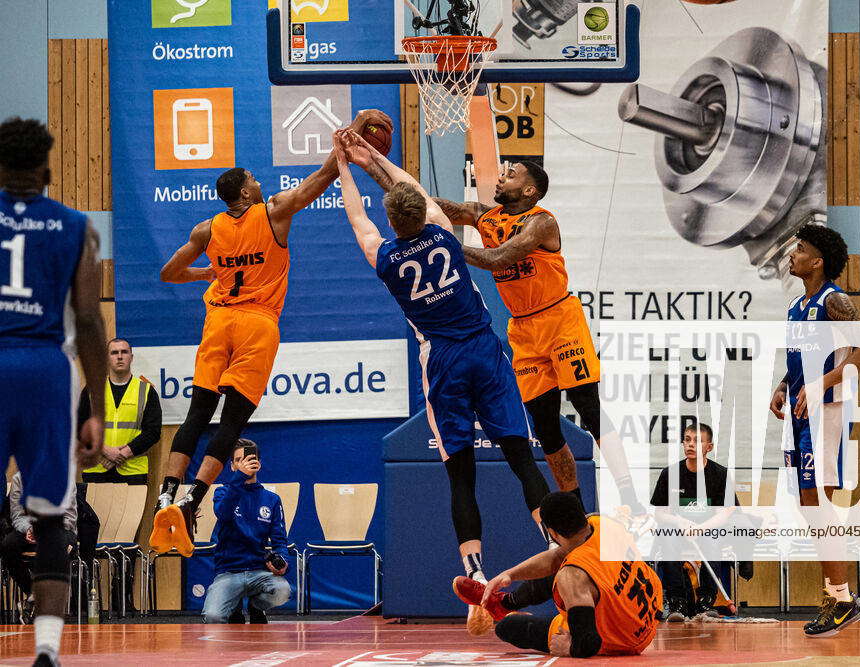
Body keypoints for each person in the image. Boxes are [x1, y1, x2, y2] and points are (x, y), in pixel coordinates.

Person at [334, 130, 551, 634]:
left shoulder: (385, 257)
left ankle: (476, 571)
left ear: (392, 223)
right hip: (484, 348)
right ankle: (553, 546)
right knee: (521, 455)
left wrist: (345, 166)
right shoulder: (443, 233)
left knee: (461, 473)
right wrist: (373, 158)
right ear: (423, 211)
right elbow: (414, 189)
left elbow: (357, 219)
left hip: (444, 362)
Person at [150, 110, 393, 558]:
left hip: (219, 320)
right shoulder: (274, 211)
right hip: (257, 325)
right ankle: (191, 503)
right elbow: (319, 179)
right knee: (232, 423)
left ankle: (166, 495)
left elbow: (168, 272)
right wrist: (349, 142)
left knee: (197, 414)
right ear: (245, 191)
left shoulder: (207, 229)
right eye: (253, 179)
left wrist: (208, 272)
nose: (260, 182)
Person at [351, 154, 642, 514]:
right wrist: (367, 162)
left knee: (589, 409)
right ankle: (577, 512)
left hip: (560, 320)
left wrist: (442, 245)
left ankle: (630, 497)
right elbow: (419, 202)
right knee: (547, 428)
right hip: (523, 328)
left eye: (512, 173)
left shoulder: (541, 223)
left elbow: (498, 259)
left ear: (530, 189)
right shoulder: (483, 215)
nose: (502, 175)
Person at [0, 116, 107, 667]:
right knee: (48, 517)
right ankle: (46, 651)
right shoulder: (75, 226)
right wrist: (96, 408)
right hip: (45, 370)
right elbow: (88, 320)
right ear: (46, 169)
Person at [768, 223, 860, 637]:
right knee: (808, 503)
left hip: (826, 408)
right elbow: (800, 358)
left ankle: (843, 598)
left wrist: (821, 384)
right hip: (800, 408)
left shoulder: (835, 300)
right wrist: (782, 385)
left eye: (800, 248)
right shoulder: (797, 305)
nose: (792, 254)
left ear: (818, 261)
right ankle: (836, 593)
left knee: (819, 501)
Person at [453, 492, 662, 658]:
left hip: (622, 640)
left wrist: (569, 648)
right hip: (647, 617)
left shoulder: (572, 575)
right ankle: (503, 604)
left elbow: (588, 643)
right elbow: (556, 556)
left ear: (552, 532)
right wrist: (509, 574)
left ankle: (504, 611)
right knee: (568, 567)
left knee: (508, 628)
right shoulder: (601, 523)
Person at [649, 422, 742, 621]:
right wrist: (679, 523)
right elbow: (660, 514)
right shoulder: (670, 474)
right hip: (678, 531)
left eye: (698, 441)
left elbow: (726, 513)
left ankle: (705, 602)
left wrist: (700, 528)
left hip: (707, 530)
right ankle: (677, 602)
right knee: (667, 539)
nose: (690, 445)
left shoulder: (720, 474)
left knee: (712, 539)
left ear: (709, 447)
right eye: (687, 440)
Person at [201, 439, 291, 623]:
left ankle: (256, 607)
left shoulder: (271, 499)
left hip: (259, 571)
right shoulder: (223, 492)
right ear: (232, 466)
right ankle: (234, 608)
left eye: (249, 458)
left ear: (258, 463)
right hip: (229, 571)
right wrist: (239, 479)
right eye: (239, 460)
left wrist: (282, 561)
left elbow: (279, 540)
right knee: (213, 617)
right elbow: (224, 515)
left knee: (282, 591)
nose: (245, 464)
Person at [78, 337, 162, 484]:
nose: (120, 356)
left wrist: (124, 453)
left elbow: (153, 432)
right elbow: (80, 428)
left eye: (124, 352)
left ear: (131, 357)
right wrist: (104, 450)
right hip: (97, 469)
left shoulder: (146, 390)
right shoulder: (92, 390)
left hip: (133, 470)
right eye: (114, 353)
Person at [1, 472, 78, 624]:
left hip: (61, 528)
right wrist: (29, 529)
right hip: (30, 528)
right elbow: (17, 516)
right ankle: (32, 592)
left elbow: (69, 517)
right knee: (8, 545)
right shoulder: (19, 478)